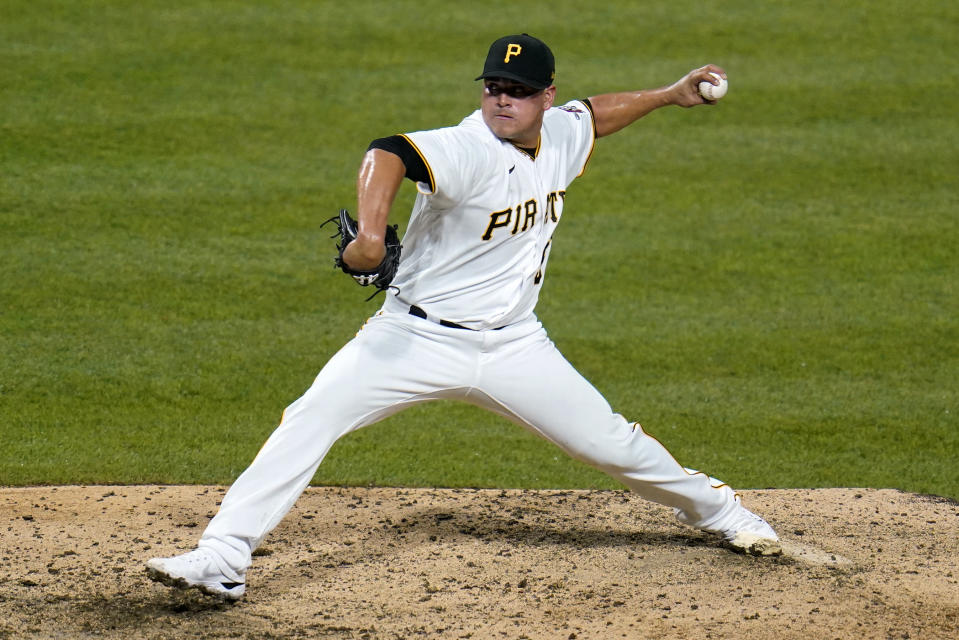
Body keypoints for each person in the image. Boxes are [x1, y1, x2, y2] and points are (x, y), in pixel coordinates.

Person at [146, 34, 780, 601]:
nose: (503, 100)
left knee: (609, 442)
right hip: (411, 338)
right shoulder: (467, 147)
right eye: (493, 88)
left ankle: (719, 512)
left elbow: (594, 114)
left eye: (519, 92)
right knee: (309, 419)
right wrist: (370, 235)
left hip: (514, 348)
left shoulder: (558, 131)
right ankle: (222, 557)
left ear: (544, 97)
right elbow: (389, 151)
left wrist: (670, 95)